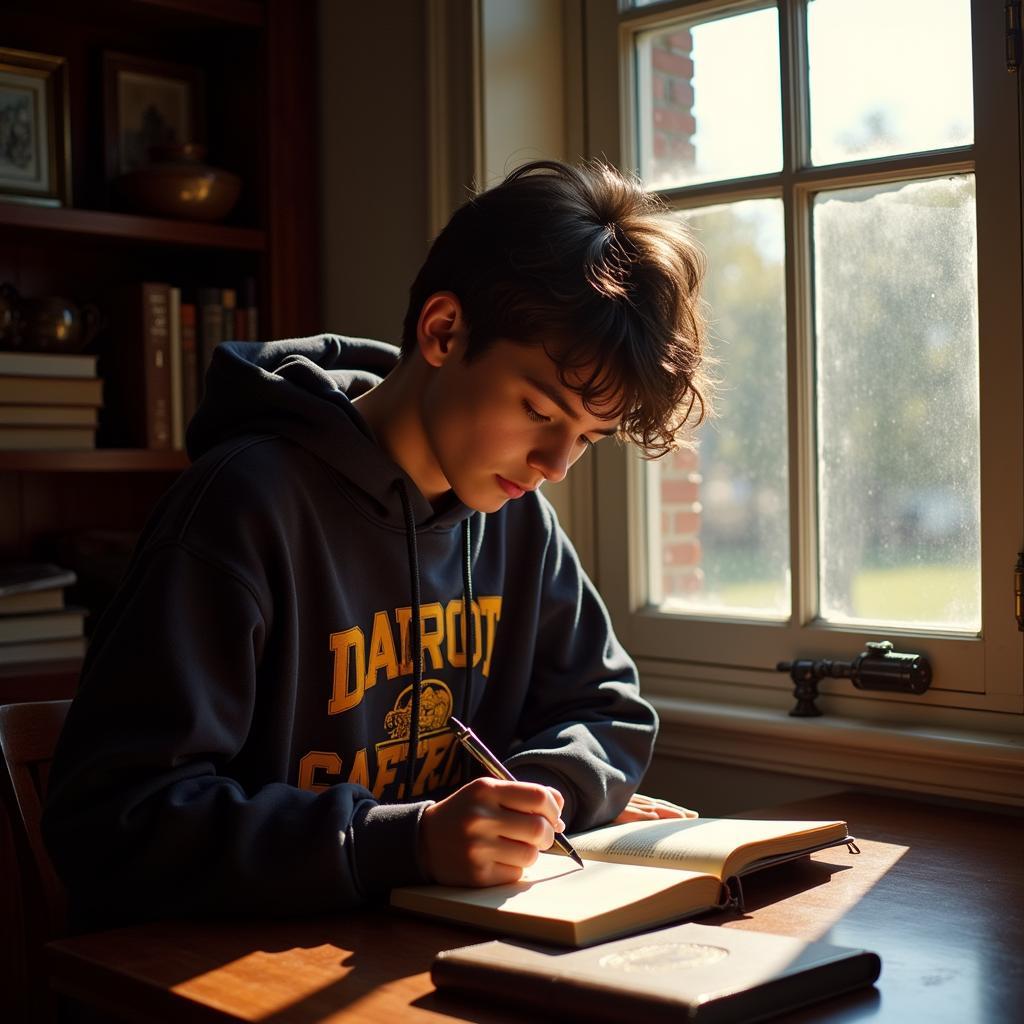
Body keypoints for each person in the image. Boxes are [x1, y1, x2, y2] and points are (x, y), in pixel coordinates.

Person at [42, 160, 710, 927]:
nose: (555, 464)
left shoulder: (516, 516)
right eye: (538, 409)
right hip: (227, 969)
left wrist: (533, 805)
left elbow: (606, 708)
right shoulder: (242, 509)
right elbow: (114, 820)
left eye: (587, 439)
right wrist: (405, 841)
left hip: (417, 947)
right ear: (443, 330)